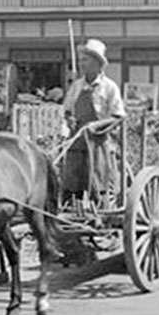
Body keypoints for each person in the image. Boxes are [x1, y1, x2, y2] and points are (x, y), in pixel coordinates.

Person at [62, 39, 125, 206]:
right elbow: (67, 110)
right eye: (81, 60)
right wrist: (69, 119)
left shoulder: (109, 87)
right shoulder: (76, 86)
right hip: (77, 138)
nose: (82, 63)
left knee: (97, 178)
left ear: (98, 63)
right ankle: (71, 209)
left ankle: (101, 208)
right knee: (72, 178)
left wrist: (96, 126)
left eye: (86, 60)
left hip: (100, 141)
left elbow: (118, 117)